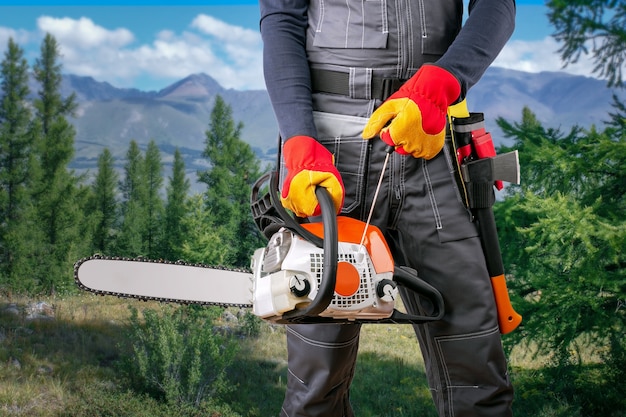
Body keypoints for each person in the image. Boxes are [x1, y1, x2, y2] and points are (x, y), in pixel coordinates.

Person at [259, 0, 516, 416]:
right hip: (330, 157)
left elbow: (497, 5)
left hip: (432, 143)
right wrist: (298, 138)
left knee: (478, 379)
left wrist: (443, 82)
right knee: (316, 387)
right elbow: (281, 18)